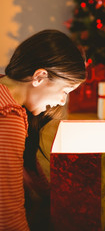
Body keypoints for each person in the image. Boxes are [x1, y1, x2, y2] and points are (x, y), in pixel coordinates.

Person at [0, 29, 86, 231]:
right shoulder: (9, 118)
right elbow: (8, 215)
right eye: (64, 91)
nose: (62, 100)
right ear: (39, 76)